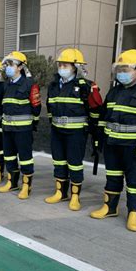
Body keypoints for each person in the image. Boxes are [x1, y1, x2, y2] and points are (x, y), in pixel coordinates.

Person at [90, 49, 136, 232]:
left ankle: (133, 213)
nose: (121, 73)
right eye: (119, 69)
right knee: (113, 177)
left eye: (125, 69)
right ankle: (110, 207)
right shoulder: (114, 91)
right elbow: (104, 116)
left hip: (135, 145)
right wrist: (100, 138)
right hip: (113, 144)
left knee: (135, 181)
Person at [44, 48, 103, 211]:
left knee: (75, 164)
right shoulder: (54, 85)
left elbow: (96, 109)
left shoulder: (86, 86)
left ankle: (75, 196)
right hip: (57, 130)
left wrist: (93, 130)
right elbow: (50, 106)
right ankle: (60, 192)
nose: (62, 67)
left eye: (66, 64)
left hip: (76, 132)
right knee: (58, 161)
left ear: (75, 67)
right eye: (60, 64)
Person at [0, 51, 41, 199]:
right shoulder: (6, 85)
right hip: (7, 128)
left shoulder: (30, 84)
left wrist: (33, 123)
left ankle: (26, 186)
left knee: (25, 158)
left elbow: (36, 108)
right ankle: (12, 182)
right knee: (9, 156)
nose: (8, 67)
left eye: (11, 64)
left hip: (23, 130)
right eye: (7, 64)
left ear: (21, 67)